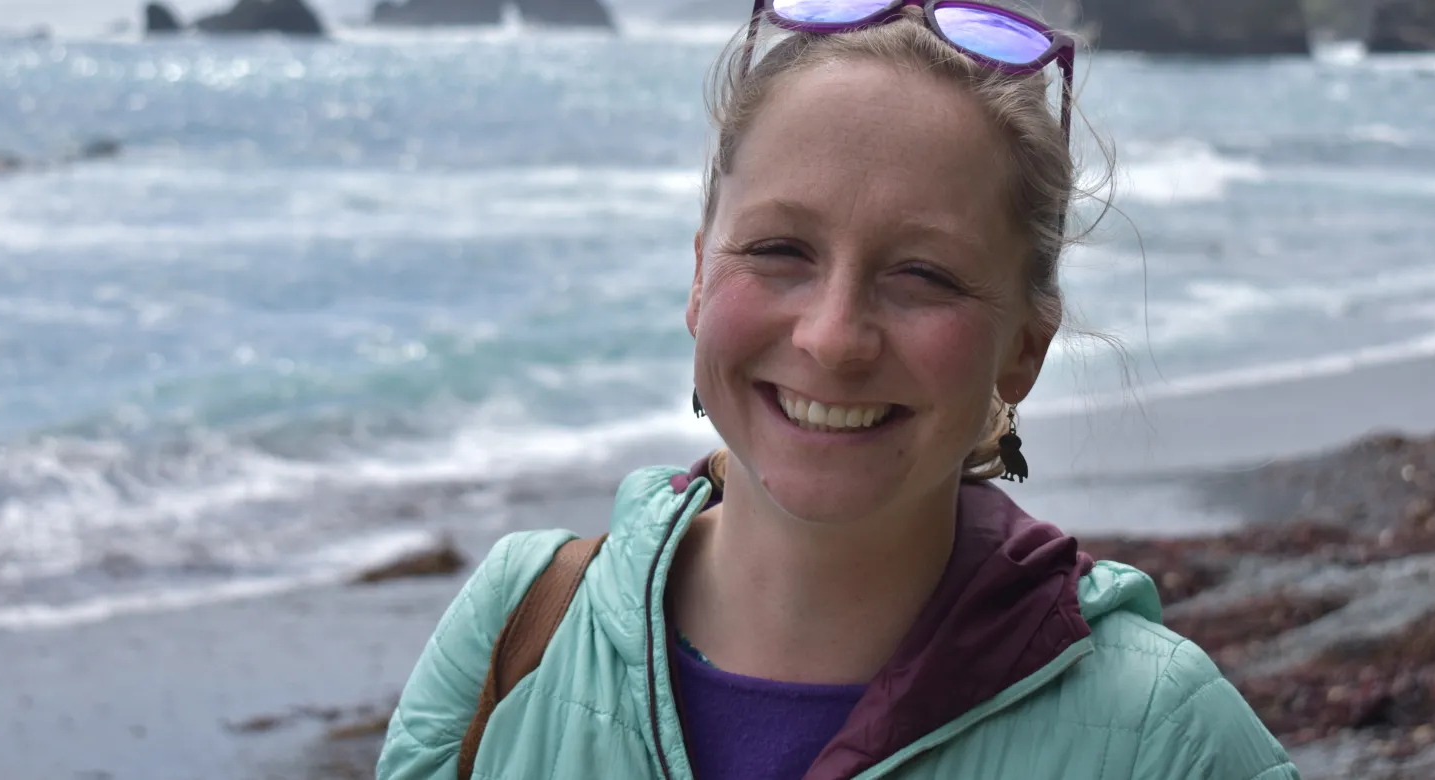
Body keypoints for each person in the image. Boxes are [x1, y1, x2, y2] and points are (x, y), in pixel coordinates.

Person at [377, 0, 1299, 777]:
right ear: (698, 277)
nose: (832, 337)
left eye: (924, 274)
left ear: (1026, 344)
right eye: (780, 249)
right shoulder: (522, 626)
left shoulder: (1164, 737)